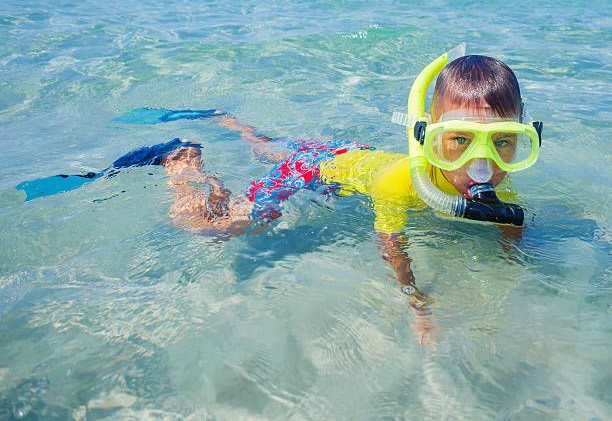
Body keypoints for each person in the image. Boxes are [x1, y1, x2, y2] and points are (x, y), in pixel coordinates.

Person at [160, 48, 543, 343]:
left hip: (352, 153)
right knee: (215, 229)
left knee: (266, 146)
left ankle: (227, 120)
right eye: (460, 140)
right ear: (428, 137)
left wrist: (510, 263)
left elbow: (511, 220)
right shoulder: (400, 184)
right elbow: (391, 245)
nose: (482, 164)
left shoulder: (497, 179)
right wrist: (418, 306)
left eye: (503, 142)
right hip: (319, 171)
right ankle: (183, 157)